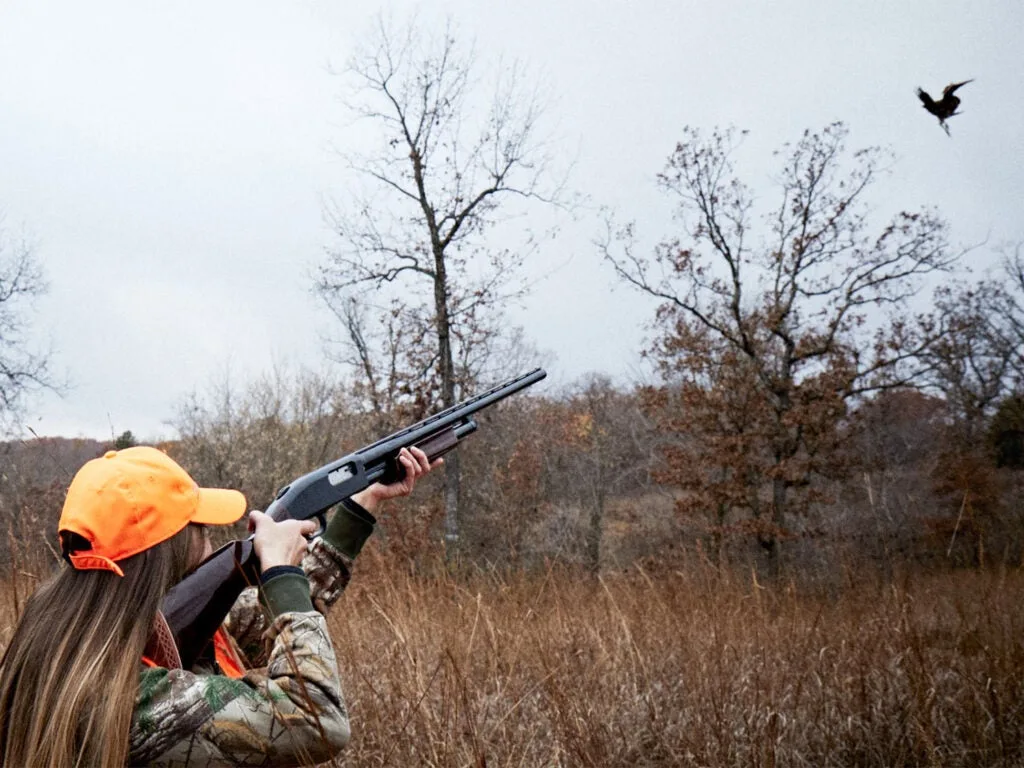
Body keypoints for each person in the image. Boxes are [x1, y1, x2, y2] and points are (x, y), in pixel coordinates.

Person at [0, 443, 436, 767]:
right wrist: (278, 573)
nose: (212, 539)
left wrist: (361, 505)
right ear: (167, 553)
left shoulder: (73, 640)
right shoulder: (133, 700)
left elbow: (257, 623)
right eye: (200, 528)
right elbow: (317, 720)